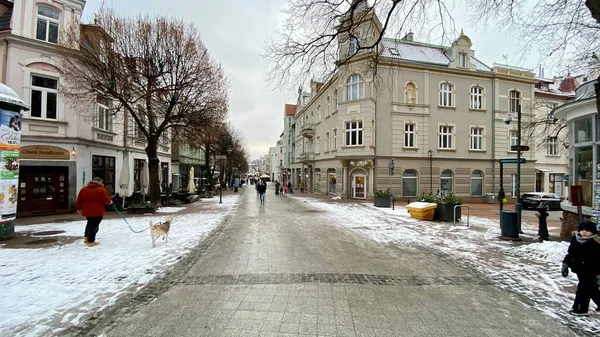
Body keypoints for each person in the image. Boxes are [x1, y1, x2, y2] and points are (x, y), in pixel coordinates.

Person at [561, 221, 600, 315]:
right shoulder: (575, 241)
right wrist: (565, 264)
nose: (584, 232)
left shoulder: (596, 243)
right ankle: (582, 309)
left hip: (592, 270)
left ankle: (579, 309)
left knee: (584, 289)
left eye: (587, 230)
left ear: (593, 232)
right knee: (590, 289)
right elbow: (570, 255)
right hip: (580, 269)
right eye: (582, 230)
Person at [76, 177, 113, 247]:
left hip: (87, 210)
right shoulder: (102, 189)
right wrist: (110, 201)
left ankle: (86, 237)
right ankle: (91, 240)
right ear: (100, 182)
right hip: (98, 210)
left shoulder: (84, 189)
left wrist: (78, 208)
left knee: (90, 222)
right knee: (94, 225)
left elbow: (79, 199)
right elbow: (105, 199)